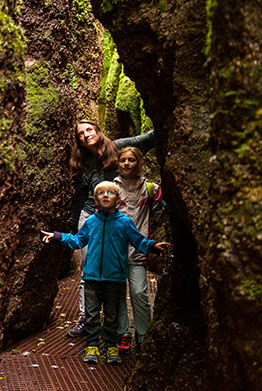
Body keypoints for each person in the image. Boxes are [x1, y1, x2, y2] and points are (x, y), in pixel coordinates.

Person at [42, 181, 170, 365]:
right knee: (92, 315)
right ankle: (92, 345)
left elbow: (138, 241)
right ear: (95, 200)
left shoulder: (125, 223)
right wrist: (57, 236)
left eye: (111, 192)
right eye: (101, 193)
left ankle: (111, 345)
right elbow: (78, 241)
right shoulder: (91, 222)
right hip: (92, 277)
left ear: (118, 199)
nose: (106, 195)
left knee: (112, 315)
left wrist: (153, 246)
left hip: (115, 278)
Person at [66, 121, 155, 338]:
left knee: (119, 273)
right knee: (89, 267)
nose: (86, 135)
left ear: (98, 131)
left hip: (118, 216)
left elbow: (149, 139)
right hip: (91, 217)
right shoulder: (82, 162)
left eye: (89, 130)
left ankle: (120, 325)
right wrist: (73, 221)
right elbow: (79, 195)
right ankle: (86, 318)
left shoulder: (118, 147)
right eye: (80, 134)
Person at [114, 147, 164, 353]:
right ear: (118, 163)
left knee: (139, 292)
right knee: (116, 295)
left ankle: (143, 334)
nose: (126, 164)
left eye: (131, 160)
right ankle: (123, 334)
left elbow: (159, 216)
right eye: (123, 160)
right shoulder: (111, 188)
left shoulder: (150, 188)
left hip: (139, 249)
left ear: (139, 163)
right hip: (114, 250)